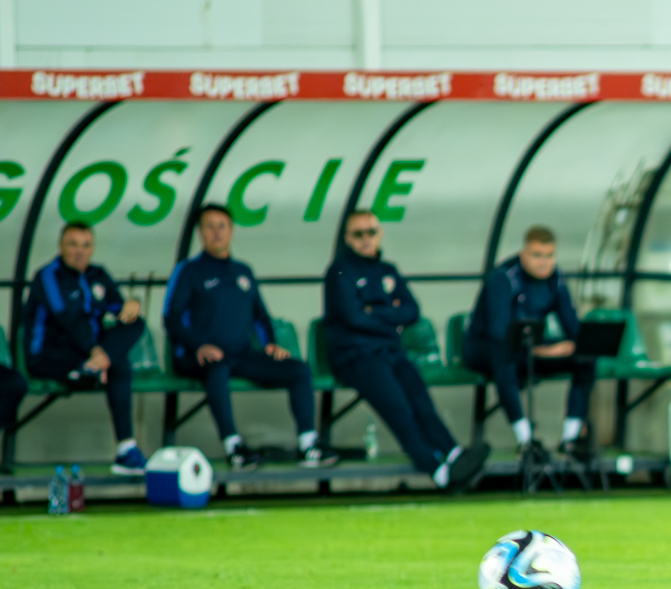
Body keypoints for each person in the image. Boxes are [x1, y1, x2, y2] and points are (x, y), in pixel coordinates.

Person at [325, 211, 489, 491]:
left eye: (371, 232)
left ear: (380, 234)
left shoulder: (388, 270)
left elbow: (412, 311)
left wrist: (373, 311)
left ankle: (452, 452)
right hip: (356, 356)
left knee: (420, 400)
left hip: (390, 351)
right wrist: (390, 314)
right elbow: (352, 317)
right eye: (358, 234)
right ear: (347, 238)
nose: (366, 239)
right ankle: (437, 471)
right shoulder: (339, 270)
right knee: (398, 408)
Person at [165, 204, 335, 470]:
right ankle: (234, 447)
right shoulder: (189, 271)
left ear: (231, 231)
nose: (217, 233)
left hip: (241, 355)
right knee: (218, 369)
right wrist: (198, 346)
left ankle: (308, 444)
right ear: (200, 232)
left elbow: (261, 315)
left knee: (299, 370)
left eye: (222, 226)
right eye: (210, 226)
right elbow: (171, 317)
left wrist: (270, 345)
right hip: (198, 357)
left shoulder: (243, 271)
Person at [24, 221, 148, 474]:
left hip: (89, 355)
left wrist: (133, 305)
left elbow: (120, 310)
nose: (79, 251)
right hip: (50, 356)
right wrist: (98, 352)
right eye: (73, 244)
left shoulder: (97, 275)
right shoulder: (47, 275)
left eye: (85, 245)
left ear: (92, 249)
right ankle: (93, 367)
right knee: (115, 364)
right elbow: (69, 319)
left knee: (131, 336)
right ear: (60, 247)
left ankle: (126, 449)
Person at [465, 225, 596, 462]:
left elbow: (571, 325)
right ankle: (525, 440)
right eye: (537, 255)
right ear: (523, 254)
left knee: (586, 358)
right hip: (485, 348)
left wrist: (575, 345)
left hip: (530, 348)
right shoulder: (503, 278)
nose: (543, 262)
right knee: (503, 357)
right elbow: (499, 333)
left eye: (549, 256)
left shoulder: (555, 280)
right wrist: (542, 351)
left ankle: (570, 439)